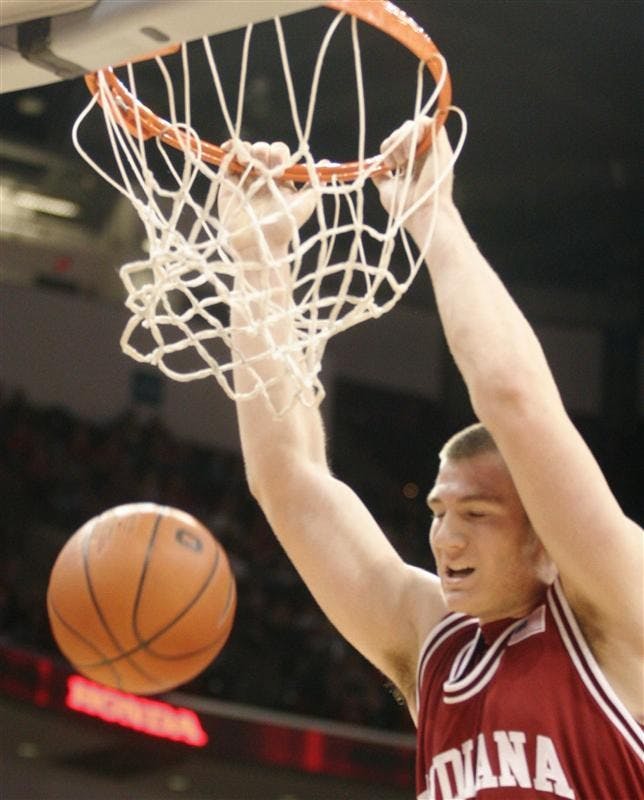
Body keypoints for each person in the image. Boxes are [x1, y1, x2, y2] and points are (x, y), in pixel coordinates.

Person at [218, 121, 644, 799]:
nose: (445, 537)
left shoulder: (621, 611)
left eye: (476, 513)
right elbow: (286, 482)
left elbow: (513, 397)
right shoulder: (434, 644)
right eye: (440, 510)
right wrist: (259, 260)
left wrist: (433, 219)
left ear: (545, 541)